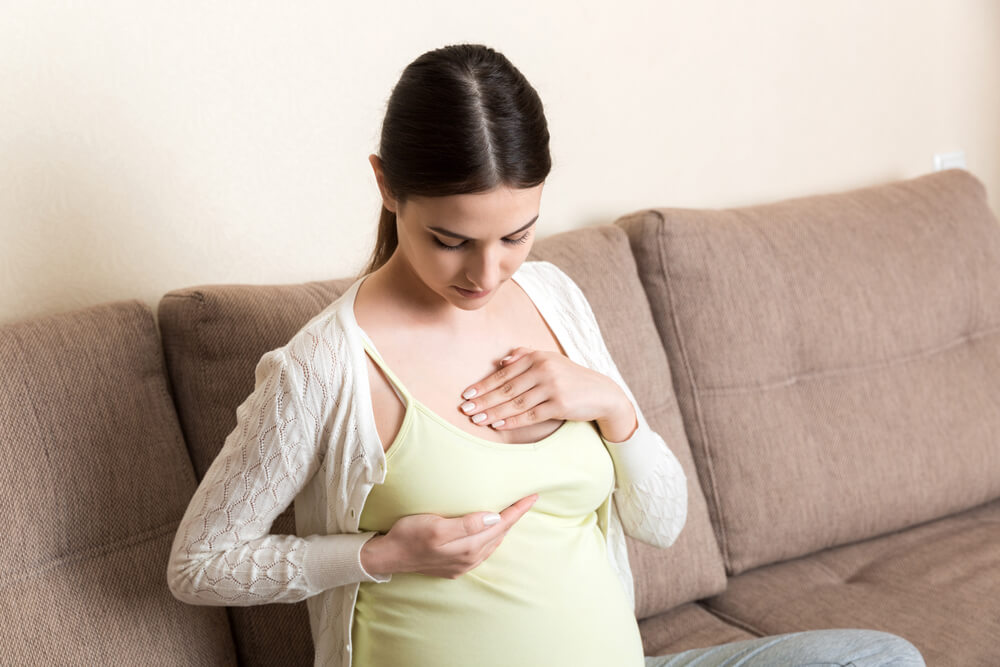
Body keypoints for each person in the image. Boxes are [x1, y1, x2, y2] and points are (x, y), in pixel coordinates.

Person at [167, 43, 925, 667]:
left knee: (881, 657)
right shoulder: (322, 368)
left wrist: (612, 405)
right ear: (387, 187)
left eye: (516, 235)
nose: (488, 274)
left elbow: (660, 522)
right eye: (451, 240)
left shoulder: (556, 298)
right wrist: (377, 554)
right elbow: (199, 563)